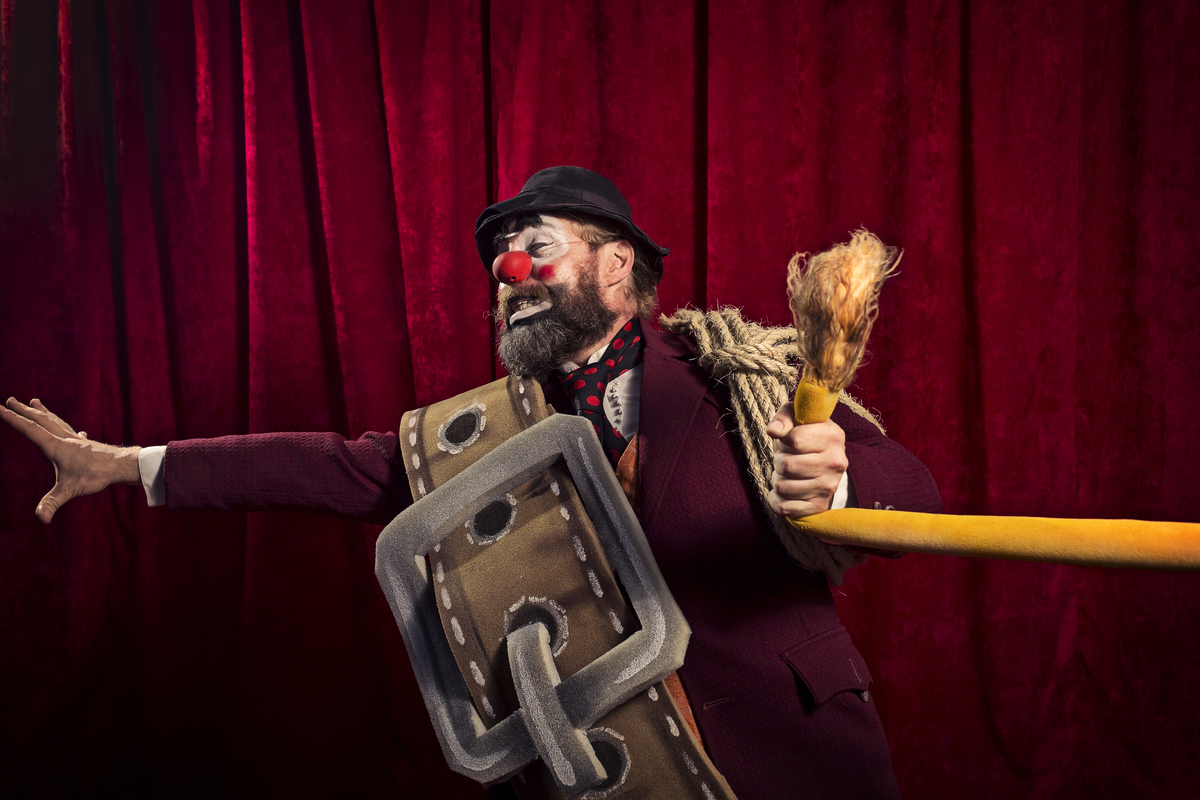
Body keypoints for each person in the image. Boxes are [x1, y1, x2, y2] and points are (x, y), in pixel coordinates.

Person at [3, 166, 941, 799]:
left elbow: (915, 489)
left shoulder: (736, 369)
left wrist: (841, 478)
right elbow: (332, 465)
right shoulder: (481, 436)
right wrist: (130, 464)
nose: (507, 270)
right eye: (499, 262)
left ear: (618, 264)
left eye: (537, 243)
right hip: (613, 775)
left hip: (795, 754)